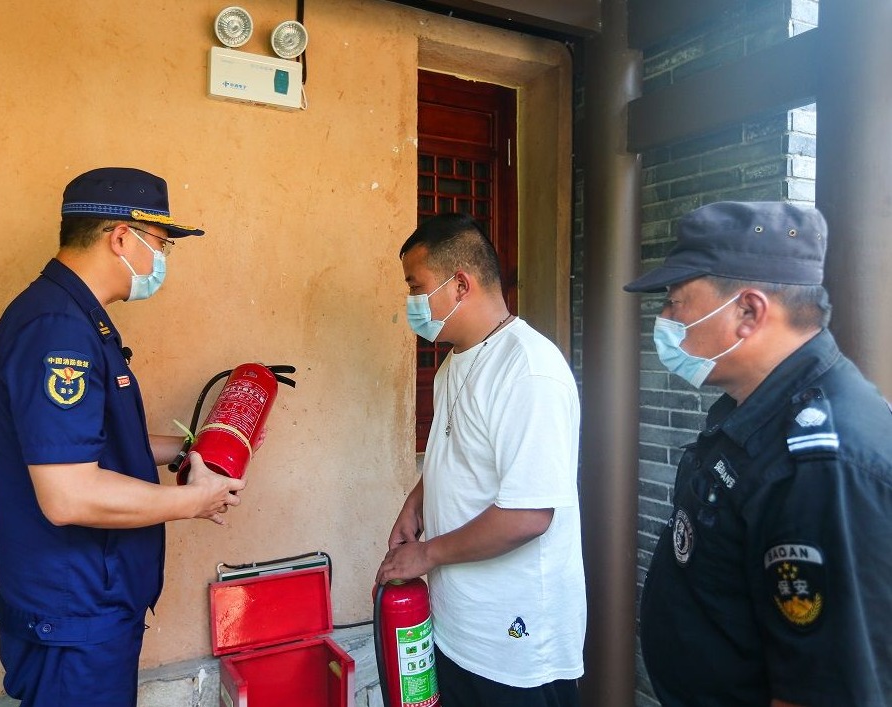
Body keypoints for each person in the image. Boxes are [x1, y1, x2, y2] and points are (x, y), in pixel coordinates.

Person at [0, 167, 248, 706]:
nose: (163, 259)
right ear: (122, 237)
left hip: (88, 603)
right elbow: (69, 494)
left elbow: (95, 443)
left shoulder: (77, 318)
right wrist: (191, 502)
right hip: (73, 611)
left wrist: (192, 449)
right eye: (162, 244)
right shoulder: (57, 331)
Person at [624, 201, 892, 706]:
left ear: (748, 311)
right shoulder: (755, 408)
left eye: (676, 302)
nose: (665, 320)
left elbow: (822, 688)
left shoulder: (825, 465)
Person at [375, 213, 586, 707]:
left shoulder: (528, 371)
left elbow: (528, 515)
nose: (411, 302)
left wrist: (425, 554)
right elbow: (457, 452)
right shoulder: (453, 363)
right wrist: (416, 503)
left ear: (460, 284)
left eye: (416, 286)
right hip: (458, 626)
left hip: (515, 645)